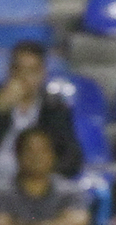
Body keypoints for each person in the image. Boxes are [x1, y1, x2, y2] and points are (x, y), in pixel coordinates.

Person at [0, 41, 82, 185]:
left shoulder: (54, 108)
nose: (24, 77)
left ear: (42, 74)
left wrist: (41, 172)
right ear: (10, 71)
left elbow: (72, 158)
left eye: (31, 71)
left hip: (36, 182)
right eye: (19, 70)